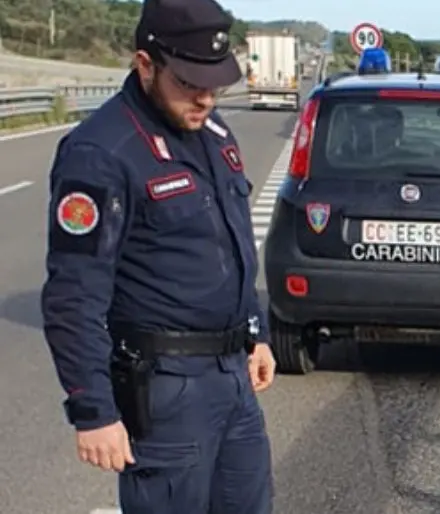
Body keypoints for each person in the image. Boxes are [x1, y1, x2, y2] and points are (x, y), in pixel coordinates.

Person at [40, 0, 276, 512]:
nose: (207, 99)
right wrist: (94, 412)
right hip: (168, 391)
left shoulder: (212, 133)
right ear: (145, 65)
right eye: (190, 84)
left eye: (215, 84)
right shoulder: (101, 153)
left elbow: (231, 241)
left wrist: (254, 331)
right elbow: (72, 294)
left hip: (232, 380)